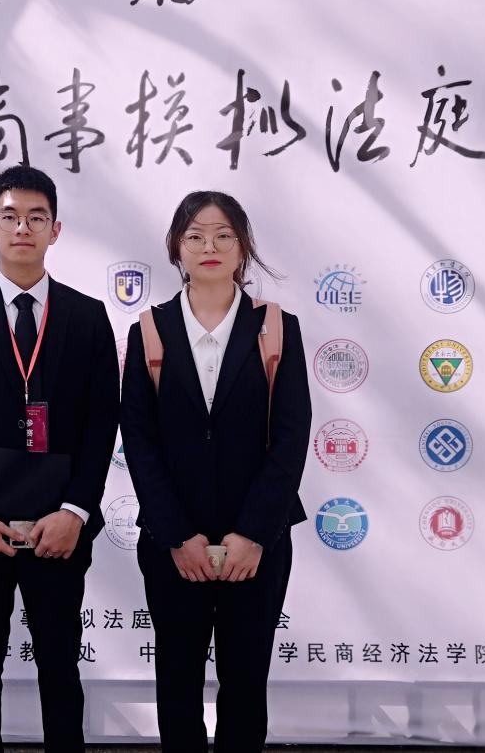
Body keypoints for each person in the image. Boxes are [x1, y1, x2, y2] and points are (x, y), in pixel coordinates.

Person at [0, 164, 120, 753]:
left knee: (60, 663)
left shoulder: (86, 316)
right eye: (9, 217)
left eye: (37, 217)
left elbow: (101, 423)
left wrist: (75, 511)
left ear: (56, 230)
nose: (22, 228)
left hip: (58, 526)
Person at [119, 190, 312, 753]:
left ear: (242, 247)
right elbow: (140, 441)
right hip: (173, 542)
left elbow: (291, 438)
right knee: (177, 680)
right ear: (176, 247)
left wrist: (254, 534)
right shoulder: (150, 329)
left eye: (224, 235)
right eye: (196, 235)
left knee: (246, 682)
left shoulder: (276, 327)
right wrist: (177, 536)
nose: (210, 246)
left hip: (258, 543)